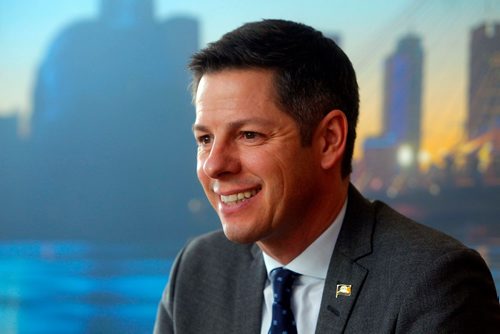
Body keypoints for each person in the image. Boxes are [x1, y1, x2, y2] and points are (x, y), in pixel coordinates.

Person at [154, 19, 500, 333]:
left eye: (249, 135)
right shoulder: (196, 270)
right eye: (205, 139)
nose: (214, 165)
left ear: (328, 140)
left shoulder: (434, 284)